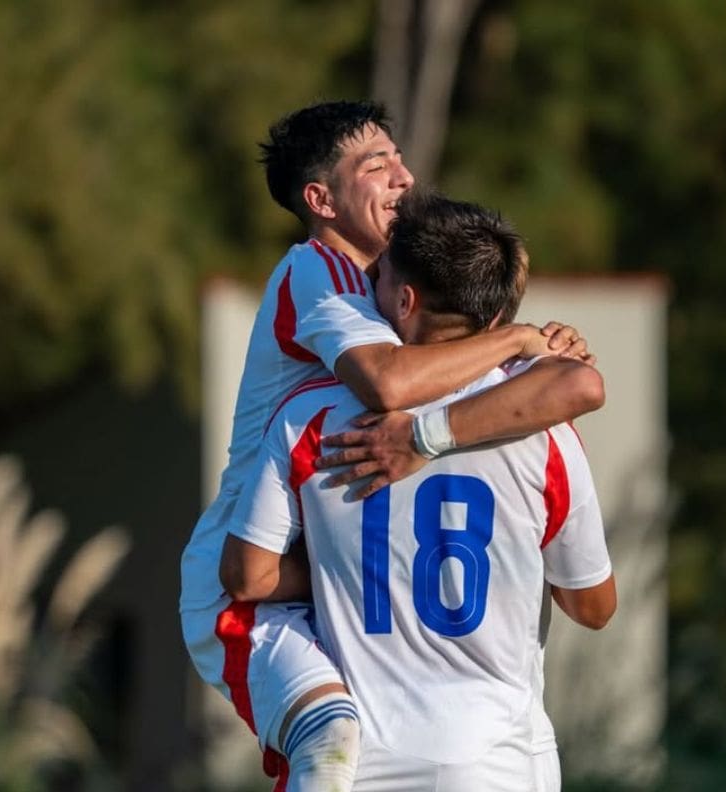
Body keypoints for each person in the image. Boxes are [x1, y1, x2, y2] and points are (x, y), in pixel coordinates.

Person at [180, 100, 603, 792]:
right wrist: (518, 342)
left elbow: (578, 390)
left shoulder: (390, 288)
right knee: (333, 739)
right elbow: (388, 383)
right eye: (377, 166)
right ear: (319, 199)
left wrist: (542, 358)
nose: (404, 177)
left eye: (400, 157)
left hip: (320, 563)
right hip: (246, 591)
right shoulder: (315, 275)